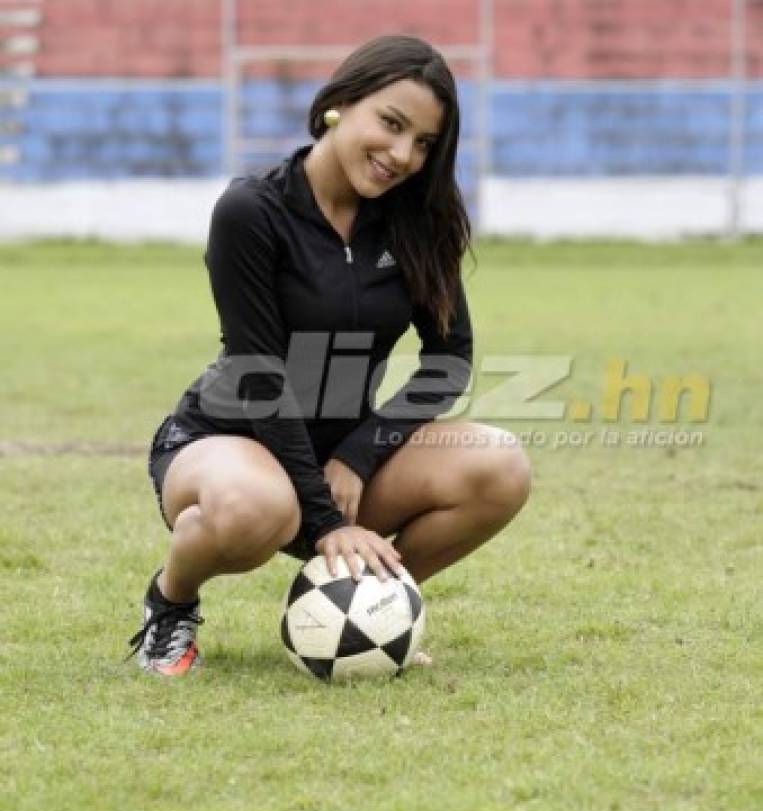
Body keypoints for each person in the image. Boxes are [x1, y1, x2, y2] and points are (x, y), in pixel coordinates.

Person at [127, 34, 532, 676]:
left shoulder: (416, 223)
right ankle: (169, 604)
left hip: (341, 453)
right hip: (228, 442)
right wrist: (322, 518)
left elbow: (448, 359)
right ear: (342, 102)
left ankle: (370, 606)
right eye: (392, 124)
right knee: (258, 509)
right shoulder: (250, 211)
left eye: (423, 143)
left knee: (500, 467)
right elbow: (257, 375)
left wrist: (358, 453)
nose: (402, 155)